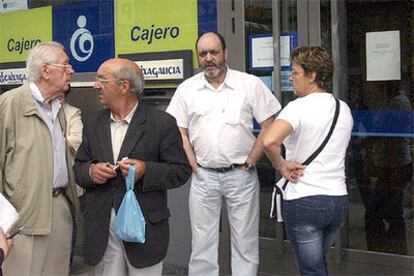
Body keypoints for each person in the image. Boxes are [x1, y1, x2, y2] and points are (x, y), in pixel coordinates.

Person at [166, 32, 281, 276]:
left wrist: (251, 161)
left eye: (214, 52)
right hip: (203, 177)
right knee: (202, 244)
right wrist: (193, 165)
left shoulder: (248, 84)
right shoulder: (187, 89)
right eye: (203, 54)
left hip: (241, 175)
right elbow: (179, 130)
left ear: (225, 53)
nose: (209, 58)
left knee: (245, 243)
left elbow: (269, 124)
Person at [73, 58, 191, 276]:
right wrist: (91, 171)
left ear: (124, 86)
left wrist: (146, 170)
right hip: (103, 228)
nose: (95, 85)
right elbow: (79, 167)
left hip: (145, 229)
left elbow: (180, 171)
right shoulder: (94, 123)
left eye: (102, 80)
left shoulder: (161, 123)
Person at [262, 46, 353, 276]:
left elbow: (269, 141)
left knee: (312, 270)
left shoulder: (297, 108)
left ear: (312, 75)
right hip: (338, 199)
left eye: (294, 72)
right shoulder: (343, 108)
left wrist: (280, 165)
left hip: (305, 200)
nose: (290, 78)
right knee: (316, 265)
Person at [0, 42, 80, 275]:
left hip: (59, 208)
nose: (71, 71)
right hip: (22, 218)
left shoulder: (57, 107)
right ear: (45, 71)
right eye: (65, 65)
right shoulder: (10, 104)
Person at [363, 81, 413, 254]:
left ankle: (384, 249)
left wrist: (364, 143)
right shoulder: (394, 101)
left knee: (377, 210)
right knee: (390, 209)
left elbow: (384, 132)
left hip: (394, 165)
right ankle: (393, 250)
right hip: (392, 164)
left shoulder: (397, 103)